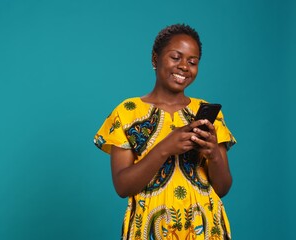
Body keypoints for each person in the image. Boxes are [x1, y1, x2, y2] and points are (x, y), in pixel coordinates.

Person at [94, 23, 236, 240]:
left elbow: (223, 187)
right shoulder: (127, 112)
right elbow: (122, 187)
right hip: (149, 229)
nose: (184, 67)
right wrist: (164, 149)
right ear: (155, 59)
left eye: (192, 62)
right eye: (175, 57)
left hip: (205, 228)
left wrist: (214, 155)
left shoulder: (207, 114)